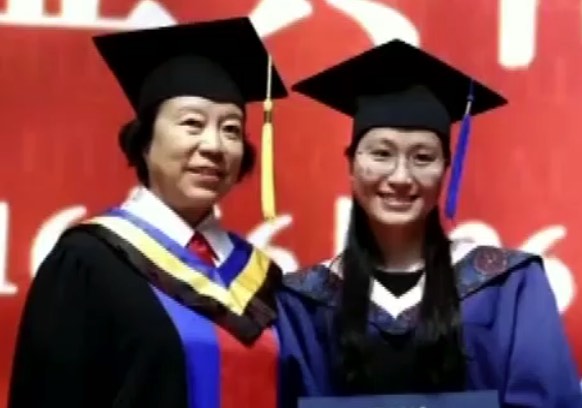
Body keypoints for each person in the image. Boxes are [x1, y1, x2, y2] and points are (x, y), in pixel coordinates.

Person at [8, 17, 306, 408]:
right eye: (192, 124)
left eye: (231, 129)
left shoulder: (262, 279)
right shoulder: (87, 262)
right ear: (145, 141)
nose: (215, 146)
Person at [280, 39, 582, 407]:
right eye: (381, 154)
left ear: (445, 170)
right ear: (352, 166)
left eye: (423, 157)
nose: (401, 177)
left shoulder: (509, 286)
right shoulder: (304, 302)